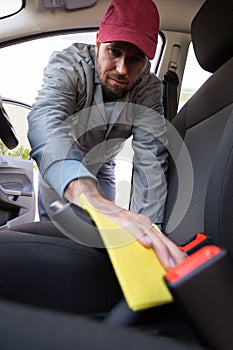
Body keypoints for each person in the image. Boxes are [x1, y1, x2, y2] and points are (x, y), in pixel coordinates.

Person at [28, 0, 186, 270]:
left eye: (135, 58)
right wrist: (84, 190)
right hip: (62, 167)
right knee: (58, 242)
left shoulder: (148, 90)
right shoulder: (69, 65)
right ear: (99, 41)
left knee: (99, 234)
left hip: (104, 166)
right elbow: (45, 120)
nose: (122, 70)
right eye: (114, 51)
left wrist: (151, 235)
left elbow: (150, 158)